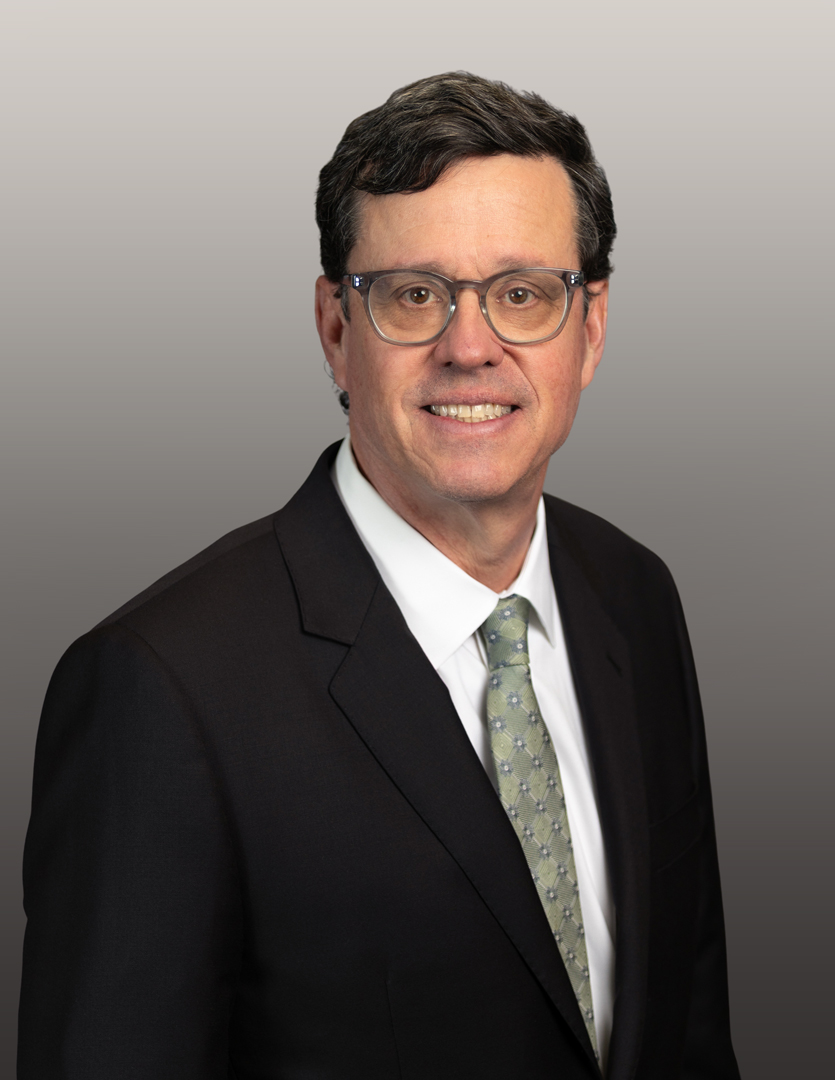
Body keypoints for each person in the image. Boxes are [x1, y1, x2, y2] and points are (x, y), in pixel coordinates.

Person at [18, 72, 740, 1079]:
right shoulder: (162, 690)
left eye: (522, 294)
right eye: (414, 295)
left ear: (590, 329)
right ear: (334, 329)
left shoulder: (635, 596)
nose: (470, 348)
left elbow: (688, 1037)